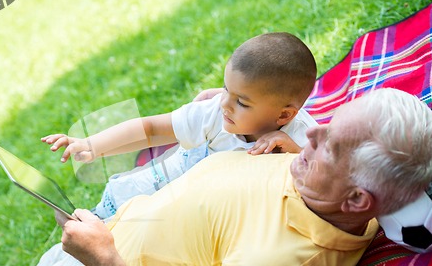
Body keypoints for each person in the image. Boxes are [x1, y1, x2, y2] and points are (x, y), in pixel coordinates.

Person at [0, 88, 432, 266]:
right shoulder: (323, 182)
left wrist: (105, 259)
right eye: (327, 122)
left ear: (357, 199)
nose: (311, 133)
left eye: (330, 144)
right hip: (105, 239)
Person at [41, 32, 318, 219]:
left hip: (199, 214)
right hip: (159, 190)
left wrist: (293, 153)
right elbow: (150, 129)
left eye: (241, 102)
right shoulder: (215, 113)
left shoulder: (302, 138)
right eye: (225, 89)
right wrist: (93, 145)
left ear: (283, 116)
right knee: (106, 222)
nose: (224, 104)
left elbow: (321, 184)